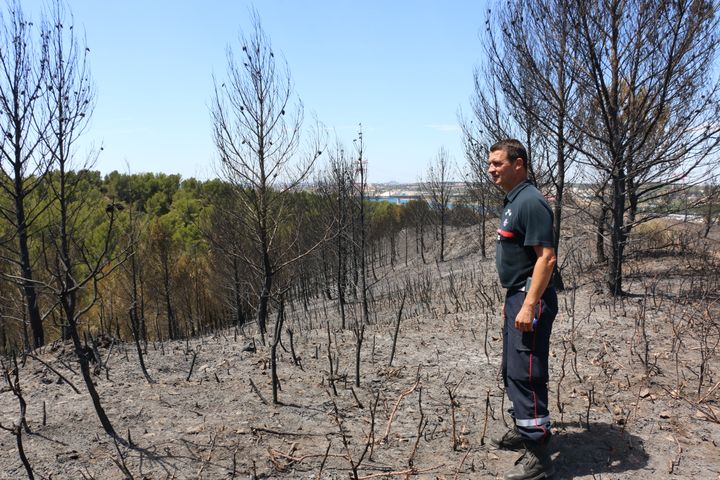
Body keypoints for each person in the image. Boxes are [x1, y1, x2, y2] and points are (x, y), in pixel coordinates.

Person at [488, 139, 558, 480]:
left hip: (530, 299)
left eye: (498, 163)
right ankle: (525, 427)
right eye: (490, 163)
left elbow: (547, 258)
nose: (491, 169)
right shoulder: (514, 200)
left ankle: (539, 456)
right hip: (517, 297)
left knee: (526, 373)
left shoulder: (531, 202)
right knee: (512, 369)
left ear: (519, 164)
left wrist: (529, 304)